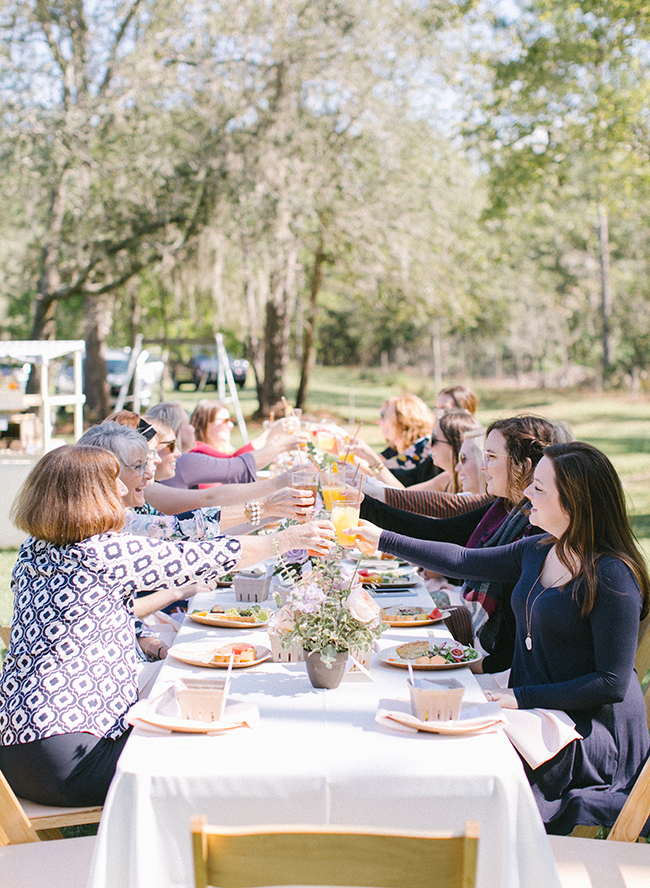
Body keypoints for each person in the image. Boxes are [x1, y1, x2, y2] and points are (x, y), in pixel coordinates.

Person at [0, 445, 333, 807]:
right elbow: (204, 556)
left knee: (188, 702)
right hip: (74, 757)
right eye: (114, 485)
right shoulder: (103, 553)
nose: (125, 492)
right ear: (90, 497)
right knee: (210, 742)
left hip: (15, 754)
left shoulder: (34, 550)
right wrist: (284, 541)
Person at [354, 441, 650, 835]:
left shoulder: (613, 576)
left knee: (460, 745)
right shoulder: (541, 549)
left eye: (540, 488)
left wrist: (517, 698)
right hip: (541, 707)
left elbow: (610, 684)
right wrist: (378, 538)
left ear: (575, 503)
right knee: (424, 712)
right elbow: (459, 559)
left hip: (587, 733)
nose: (526, 493)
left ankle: (468, 851)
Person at [360, 415, 560, 672]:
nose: (483, 466)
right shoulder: (504, 508)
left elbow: (464, 562)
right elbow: (438, 532)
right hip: (488, 655)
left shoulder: (537, 529)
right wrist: (365, 506)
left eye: (491, 456)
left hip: (506, 671)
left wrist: (380, 537)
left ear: (523, 465)